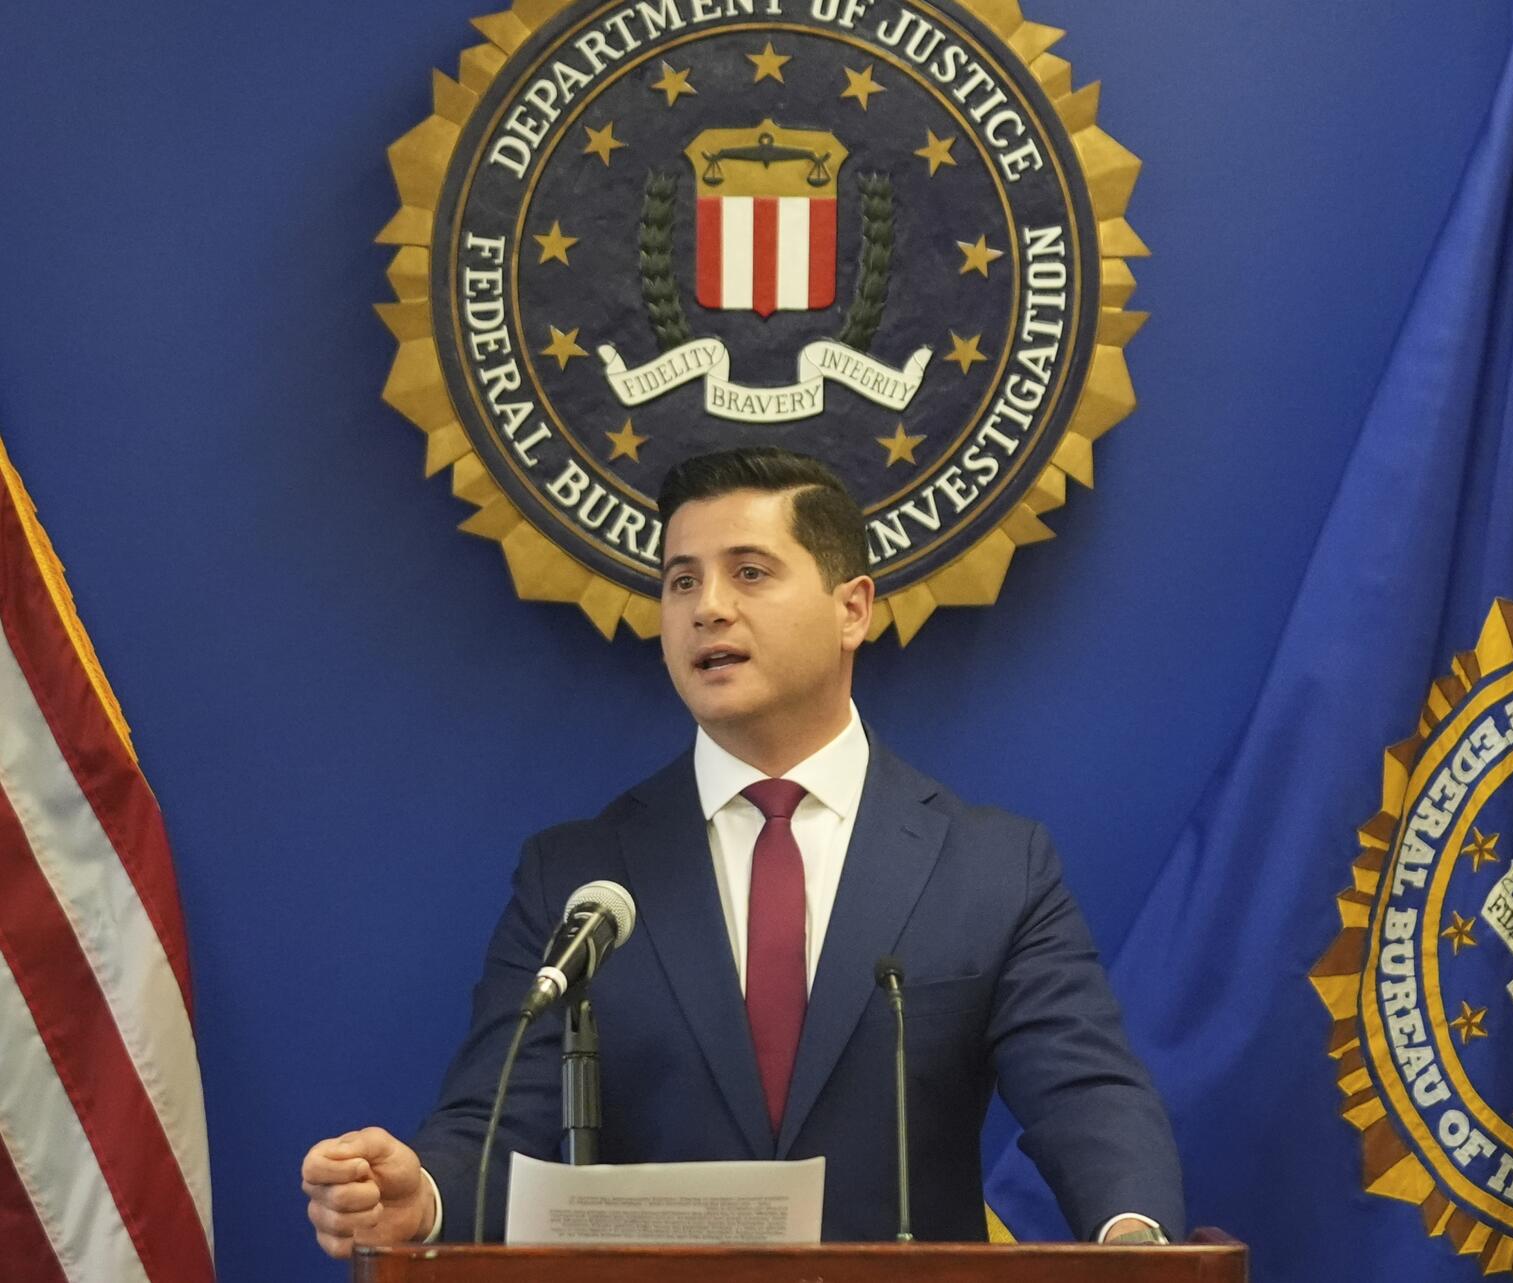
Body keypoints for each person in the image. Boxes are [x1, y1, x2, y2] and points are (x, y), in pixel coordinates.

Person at [300, 447, 1184, 1257]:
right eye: (680, 581)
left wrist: (1135, 1234)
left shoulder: (993, 867)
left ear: (853, 609)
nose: (706, 607)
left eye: (749, 572)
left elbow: (1084, 1093)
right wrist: (424, 1198)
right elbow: (498, 1125)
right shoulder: (579, 878)